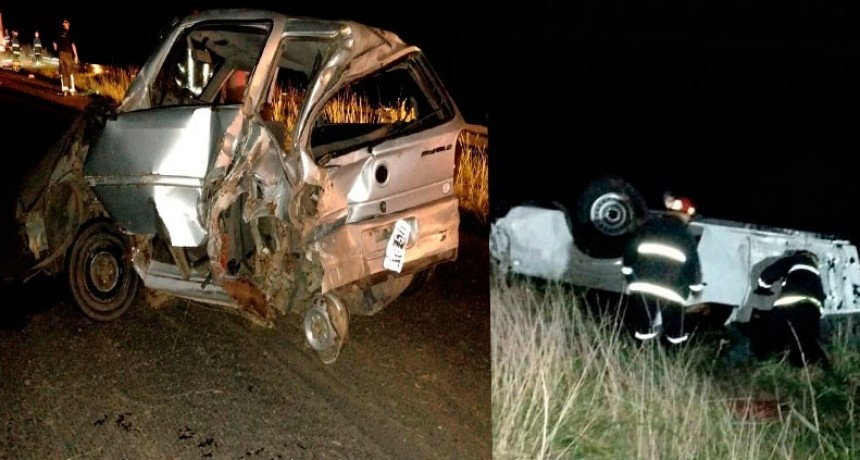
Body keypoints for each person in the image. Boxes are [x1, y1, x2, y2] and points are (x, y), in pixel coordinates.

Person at [621, 192, 704, 344]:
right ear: (685, 215)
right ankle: (674, 354)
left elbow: (629, 250)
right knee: (675, 334)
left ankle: (640, 352)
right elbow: (693, 266)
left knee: (643, 329)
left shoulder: (649, 226)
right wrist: (696, 288)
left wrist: (629, 273)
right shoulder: (685, 236)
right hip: (671, 291)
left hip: (642, 287)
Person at [750, 250, 828, 367]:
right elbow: (822, 296)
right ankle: (811, 367)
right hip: (812, 310)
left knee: (775, 335)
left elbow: (770, 273)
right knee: (807, 342)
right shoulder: (816, 274)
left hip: (788, 306)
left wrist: (763, 288)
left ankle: (768, 361)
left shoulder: (794, 261)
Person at [53, 18, 79, 96]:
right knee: (70, 72)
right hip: (68, 54)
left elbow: (54, 43)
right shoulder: (69, 33)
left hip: (61, 54)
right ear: (68, 24)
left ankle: (65, 91)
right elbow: (73, 45)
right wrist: (76, 55)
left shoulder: (59, 32)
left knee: (63, 72)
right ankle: (72, 90)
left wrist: (57, 50)